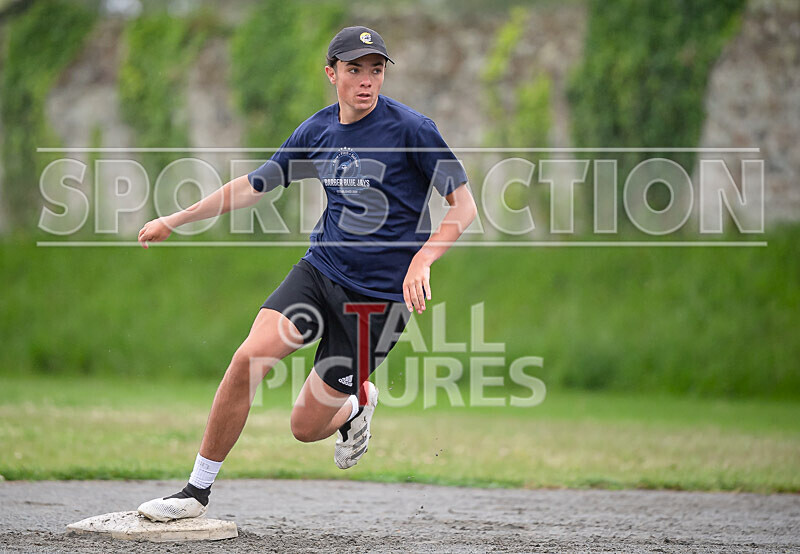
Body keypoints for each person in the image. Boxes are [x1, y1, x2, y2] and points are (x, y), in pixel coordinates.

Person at [135, 26, 477, 522]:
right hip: (320, 273)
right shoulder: (317, 131)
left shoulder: (412, 130)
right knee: (248, 358)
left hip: (376, 304)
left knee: (305, 426)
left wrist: (422, 259)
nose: (366, 80)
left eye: (375, 69)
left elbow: (462, 206)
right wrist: (176, 218)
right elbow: (255, 185)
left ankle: (356, 407)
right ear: (331, 73)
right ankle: (195, 491)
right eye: (354, 69)